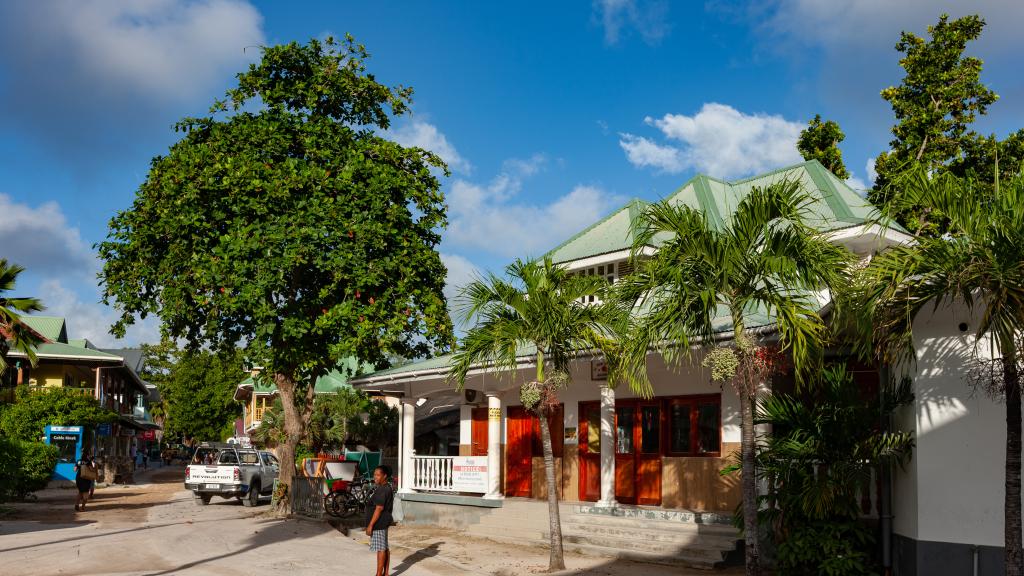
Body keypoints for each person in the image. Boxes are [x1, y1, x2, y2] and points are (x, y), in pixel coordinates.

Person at [364, 465, 394, 576]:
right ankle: (385, 573)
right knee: (384, 547)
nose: (375, 477)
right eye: (374, 474)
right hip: (383, 522)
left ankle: (378, 574)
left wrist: (370, 525)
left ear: (384, 476)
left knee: (381, 548)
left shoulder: (383, 489)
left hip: (379, 523)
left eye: (378, 475)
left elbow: (379, 508)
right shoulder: (386, 487)